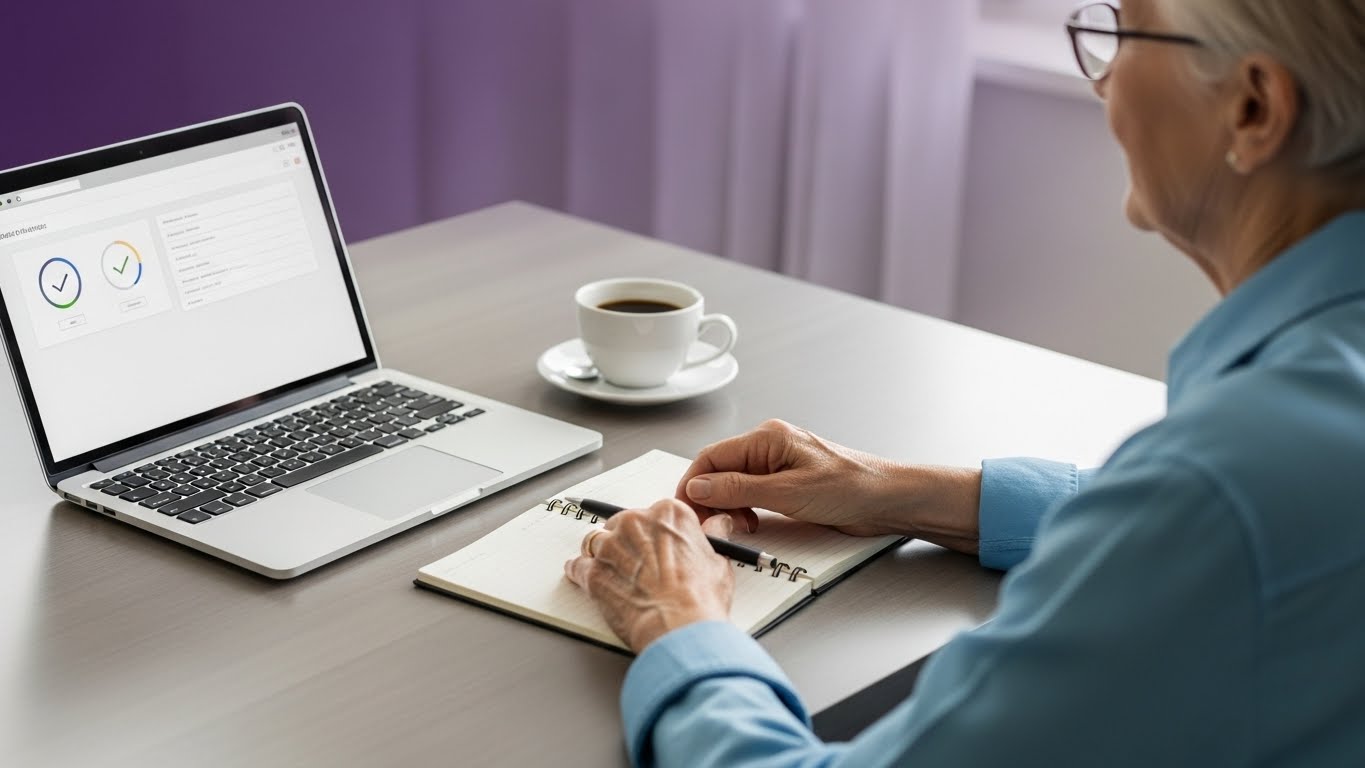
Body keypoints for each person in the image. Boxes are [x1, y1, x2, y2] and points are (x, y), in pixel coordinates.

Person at [564, 0, 1365, 764]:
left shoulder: (1220, 488)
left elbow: (1208, 522)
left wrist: (677, 620)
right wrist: (903, 492)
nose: (1104, 79)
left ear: (1253, 109)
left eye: (1128, 32)